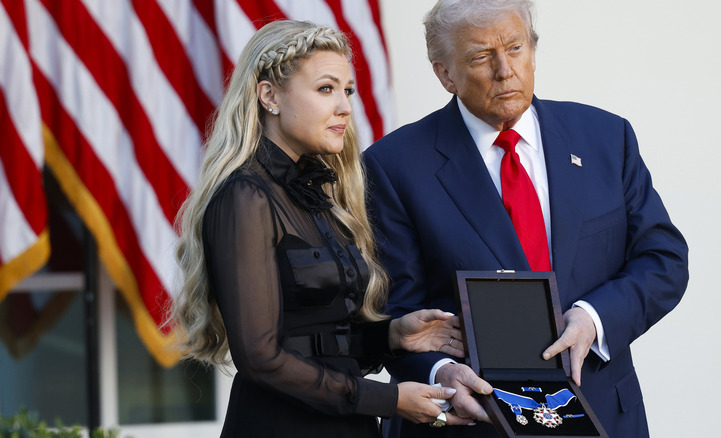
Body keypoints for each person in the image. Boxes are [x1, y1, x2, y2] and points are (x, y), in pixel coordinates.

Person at [362, 1, 689, 437]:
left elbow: (662, 259)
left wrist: (594, 317)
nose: (504, 70)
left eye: (515, 48)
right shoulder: (393, 165)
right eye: (481, 57)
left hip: (603, 411)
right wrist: (439, 371)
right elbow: (395, 311)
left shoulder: (606, 137)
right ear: (445, 74)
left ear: (532, 52)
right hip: (473, 418)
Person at [169, 20, 470, 437]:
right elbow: (261, 358)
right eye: (326, 89)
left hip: (348, 423)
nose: (345, 106)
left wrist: (394, 335)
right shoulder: (246, 196)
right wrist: (390, 400)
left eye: (347, 91)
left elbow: (328, 344)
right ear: (269, 96)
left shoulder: (320, 195)